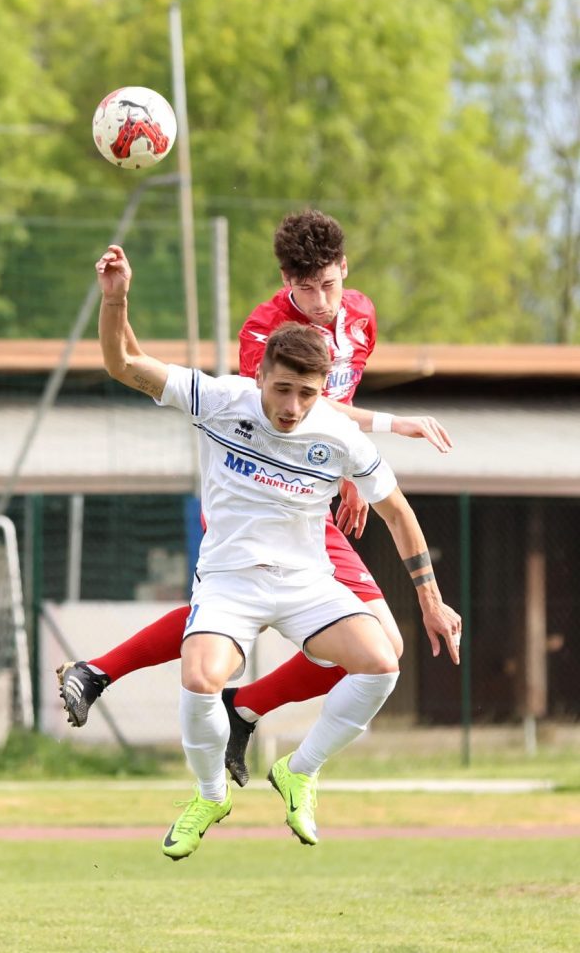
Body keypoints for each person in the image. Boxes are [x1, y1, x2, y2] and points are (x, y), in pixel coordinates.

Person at [91, 242, 461, 860]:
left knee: (382, 663)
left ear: (323, 392)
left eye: (307, 394)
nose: (292, 408)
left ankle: (299, 770)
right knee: (199, 677)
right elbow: (123, 362)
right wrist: (116, 299)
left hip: (305, 582)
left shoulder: (339, 434)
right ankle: (210, 795)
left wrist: (432, 602)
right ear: (259, 376)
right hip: (230, 580)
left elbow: (399, 513)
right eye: (282, 389)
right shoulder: (219, 399)